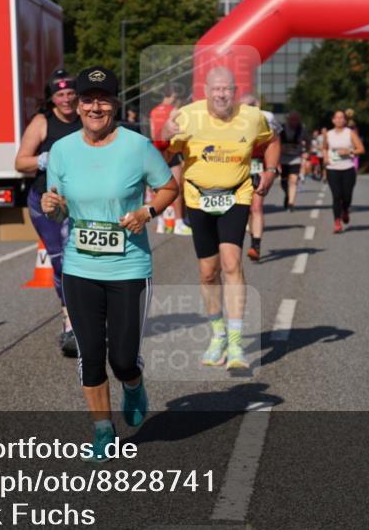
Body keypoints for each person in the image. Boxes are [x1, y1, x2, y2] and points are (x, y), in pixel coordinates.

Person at [41, 66, 178, 461]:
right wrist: (54, 207)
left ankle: (133, 385)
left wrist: (147, 213)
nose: (94, 106)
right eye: (88, 99)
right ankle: (103, 430)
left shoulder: (136, 146)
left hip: (129, 268)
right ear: (77, 104)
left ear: (115, 104)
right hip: (81, 267)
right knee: (89, 354)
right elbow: (59, 211)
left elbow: (170, 186)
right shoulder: (63, 151)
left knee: (122, 358)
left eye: (103, 99)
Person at [163, 67, 278, 369]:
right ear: (206, 91)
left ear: (235, 91)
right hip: (197, 198)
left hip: (236, 195)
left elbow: (272, 140)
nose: (221, 94)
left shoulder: (252, 117)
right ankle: (218, 336)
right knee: (207, 273)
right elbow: (163, 153)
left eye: (227, 89)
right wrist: (164, 136)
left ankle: (237, 344)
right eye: (216, 89)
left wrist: (271, 170)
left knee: (231, 264)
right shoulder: (187, 116)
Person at [15, 69, 81, 356]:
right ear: (51, 98)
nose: (66, 100)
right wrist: (45, 159)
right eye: (60, 94)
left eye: (70, 94)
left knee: (84, 260)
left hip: (81, 201)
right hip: (46, 201)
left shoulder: (86, 117)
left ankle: (89, 318)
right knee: (62, 262)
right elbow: (20, 162)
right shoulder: (43, 122)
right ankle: (70, 322)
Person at [239, 93, 280, 262]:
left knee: (256, 206)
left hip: (259, 166)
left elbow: (276, 142)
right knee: (244, 208)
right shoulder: (233, 122)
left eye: (249, 105)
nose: (244, 110)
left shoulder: (267, 119)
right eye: (242, 107)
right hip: (237, 168)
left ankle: (255, 245)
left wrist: (273, 166)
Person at [150, 83, 191, 236]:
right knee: (177, 188)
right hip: (171, 151)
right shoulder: (175, 111)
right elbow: (179, 132)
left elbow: (154, 134)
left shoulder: (154, 111)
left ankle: (161, 223)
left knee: (159, 188)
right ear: (172, 95)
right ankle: (179, 222)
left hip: (157, 150)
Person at [323, 110, 365, 234]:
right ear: (333, 120)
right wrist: (325, 158)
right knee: (336, 196)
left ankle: (345, 210)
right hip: (332, 168)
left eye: (342, 118)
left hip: (348, 168)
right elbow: (324, 148)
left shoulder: (350, 133)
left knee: (347, 196)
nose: (339, 120)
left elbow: (361, 149)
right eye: (337, 117)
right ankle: (337, 222)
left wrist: (349, 152)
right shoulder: (328, 134)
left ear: (345, 120)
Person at [279, 111, 307, 212]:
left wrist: (306, 152)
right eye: (292, 119)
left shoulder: (302, 128)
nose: (294, 122)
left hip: (296, 158)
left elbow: (308, 140)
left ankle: (291, 203)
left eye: (296, 120)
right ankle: (287, 195)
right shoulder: (281, 127)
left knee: (294, 181)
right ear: (288, 120)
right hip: (282, 158)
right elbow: (275, 141)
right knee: (284, 181)